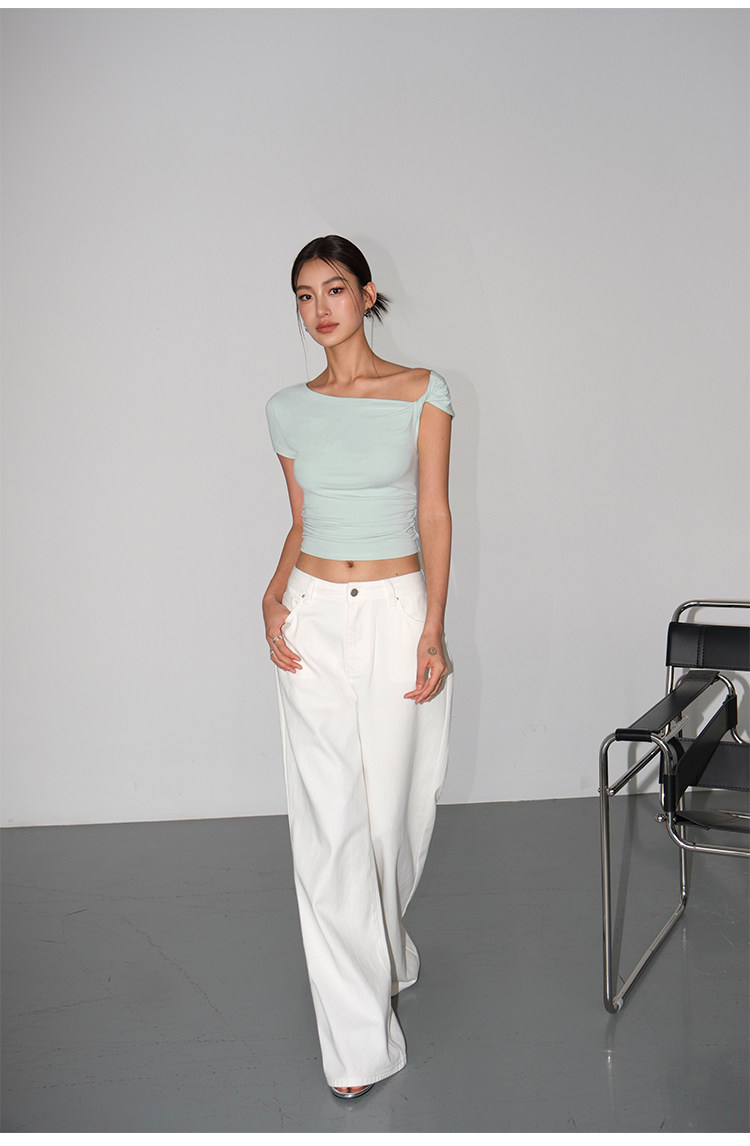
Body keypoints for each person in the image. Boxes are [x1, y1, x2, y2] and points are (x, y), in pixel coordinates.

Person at [263, 235, 453, 1099]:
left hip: (395, 613)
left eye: (334, 289)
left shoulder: (423, 391)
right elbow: (303, 520)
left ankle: (387, 943)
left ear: (367, 294)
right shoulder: (286, 409)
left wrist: (434, 627)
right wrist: (272, 594)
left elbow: (434, 514)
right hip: (310, 618)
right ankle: (356, 1046)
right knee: (328, 827)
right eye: (305, 296)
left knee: (392, 820)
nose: (320, 309)